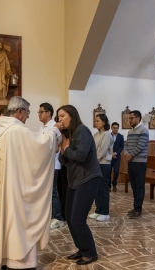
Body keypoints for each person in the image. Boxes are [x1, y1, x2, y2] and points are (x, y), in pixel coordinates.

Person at [0, 96, 62, 270]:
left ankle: (4, 258)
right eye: (27, 111)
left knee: (7, 221)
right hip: (16, 189)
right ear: (19, 111)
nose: (28, 116)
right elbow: (40, 146)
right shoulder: (17, 131)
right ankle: (19, 262)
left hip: (7, 187)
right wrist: (54, 130)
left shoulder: (3, 130)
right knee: (19, 220)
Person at [57, 105, 101, 265]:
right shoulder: (69, 135)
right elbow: (64, 161)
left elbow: (81, 155)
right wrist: (61, 151)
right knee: (69, 216)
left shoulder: (82, 131)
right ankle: (82, 249)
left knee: (77, 219)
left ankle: (90, 253)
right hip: (74, 180)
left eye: (62, 116)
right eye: (58, 117)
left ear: (72, 115)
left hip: (88, 178)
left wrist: (66, 148)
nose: (60, 119)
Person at [38, 102, 65, 230]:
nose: (39, 114)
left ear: (48, 113)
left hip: (53, 164)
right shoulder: (42, 128)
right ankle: (49, 215)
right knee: (46, 192)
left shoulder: (54, 127)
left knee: (53, 192)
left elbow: (56, 147)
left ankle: (58, 218)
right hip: (44, 164)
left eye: (41, 112)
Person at [124, 110, 149, 219]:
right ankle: (135, 207)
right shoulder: (130, 132)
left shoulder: (144, 130)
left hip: (140, 162)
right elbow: (126, 145)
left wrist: (131, 155)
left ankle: (138, 209)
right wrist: (126, 154)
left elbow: (141, 145)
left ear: (138, 118)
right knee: (133, 186)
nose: (130, 120)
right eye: (129, 118)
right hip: (131, 162)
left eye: (131, 118)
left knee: (139, 186)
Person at [89, 114, 113, 222]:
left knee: (103, 189)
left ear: (104, 122)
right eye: (95, 121)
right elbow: (93, 149)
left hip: (103, 164)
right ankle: (98, 210)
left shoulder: (107, 134)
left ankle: (105, 212)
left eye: (98, 121)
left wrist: (93, 162)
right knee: (96, 189)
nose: (95, 123)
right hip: (96, 163)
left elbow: (102, 151)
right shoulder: (95, 134)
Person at [110, 122, 125, 192]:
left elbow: (121, 147)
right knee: (108, 172)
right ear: (111, 128)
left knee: (116, 171)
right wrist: (111, 154)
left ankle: (114, 184)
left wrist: (115, 153)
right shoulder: (108, 135)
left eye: (117, 128)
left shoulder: (121, 136)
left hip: (117, 157)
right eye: (114, 128)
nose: (115, 129)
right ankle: (108, 185)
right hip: (109, 157)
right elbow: (106, 146)